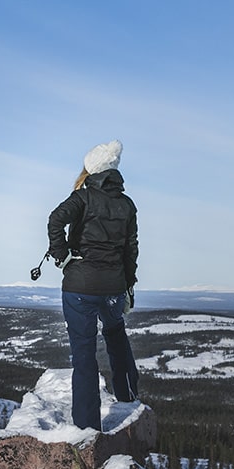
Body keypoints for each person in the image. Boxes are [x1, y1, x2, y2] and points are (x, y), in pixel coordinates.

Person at [47, 139, 140, 430]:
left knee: (84, 353)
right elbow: (130, 249)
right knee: (116, 336)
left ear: (90, 170)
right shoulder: (126, 205)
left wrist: (61, 255)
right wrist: (128, 286)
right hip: (113, 286)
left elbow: (54, 220)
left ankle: (88, 427)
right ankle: (127, 396)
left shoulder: (82, 198)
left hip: (79, 288)